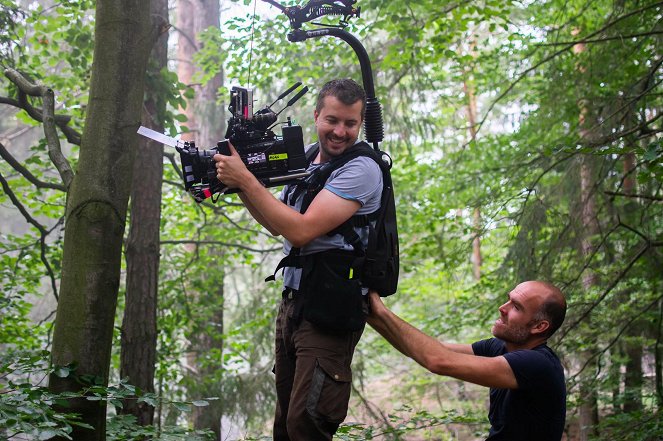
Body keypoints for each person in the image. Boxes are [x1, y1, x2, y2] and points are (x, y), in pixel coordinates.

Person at [213, 78, 383, 440]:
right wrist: (241, 183)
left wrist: (246, 179)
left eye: (350, 124)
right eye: (332, 120)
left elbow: (301, 231)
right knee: (285, 425)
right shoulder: (305, 158)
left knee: (307, 424)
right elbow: (278, 223)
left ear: (360, 124)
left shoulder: (362, 169)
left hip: (331, 307)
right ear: (317, 114)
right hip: (294, 303)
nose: (340, 131)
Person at [367, 280, 567, 441]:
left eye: (516, 307)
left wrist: (383, 312)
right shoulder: (499, 348)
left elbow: (438, 361)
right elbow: (423, 349)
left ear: (539, 327)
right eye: (508, 300)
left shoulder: (538, 364)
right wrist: (369, 314)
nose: (502, 308)